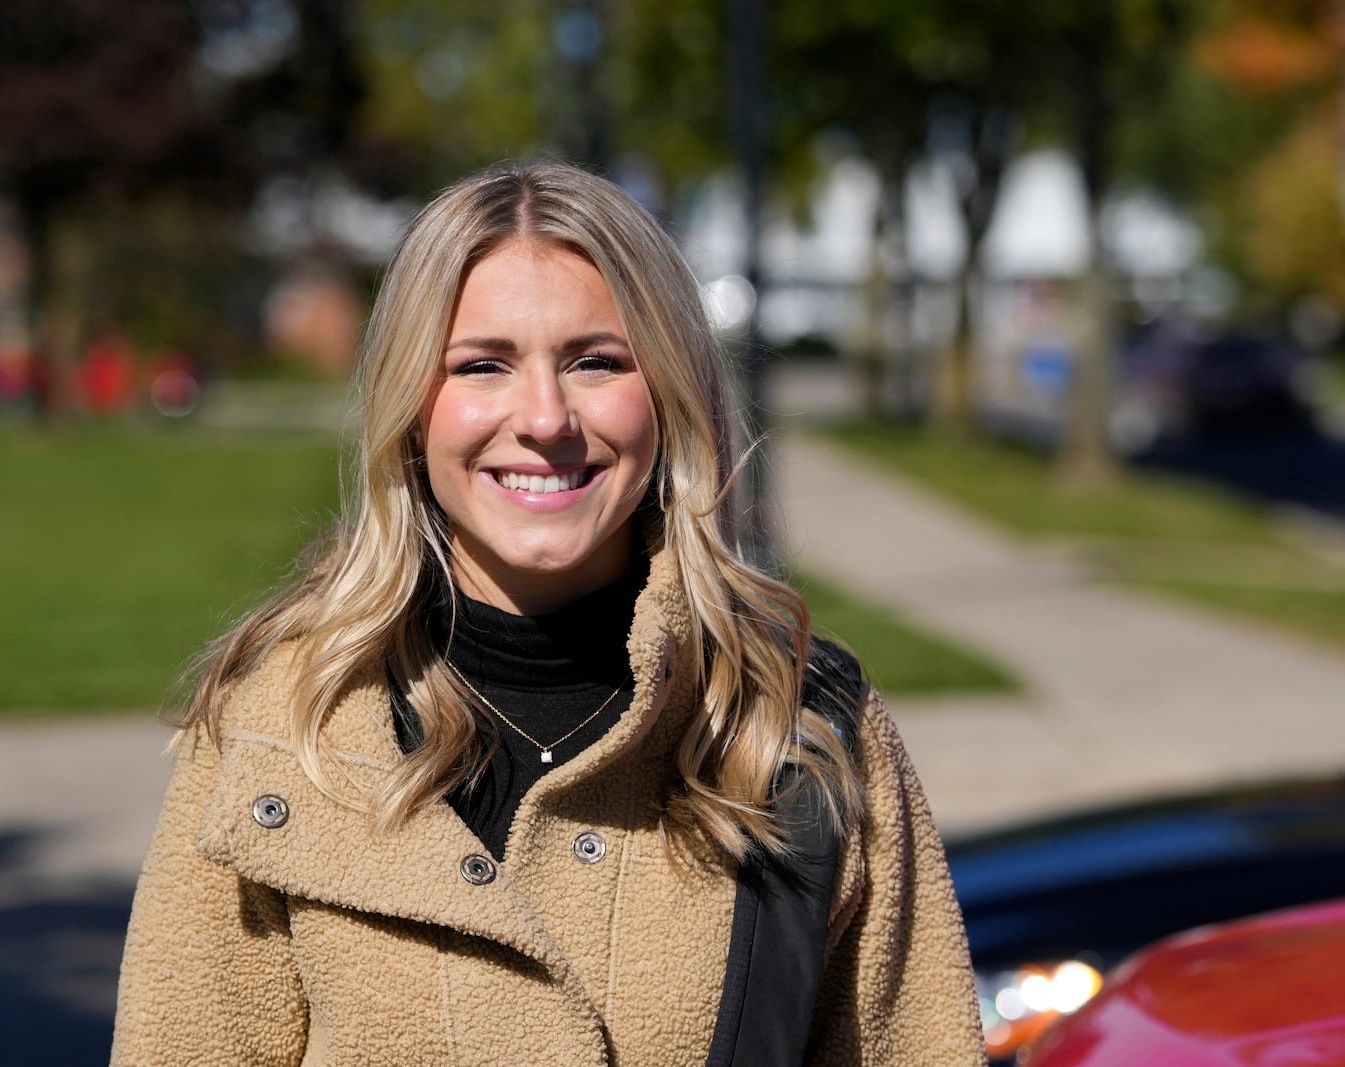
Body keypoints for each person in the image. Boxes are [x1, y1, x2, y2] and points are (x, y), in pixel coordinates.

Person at [111, 161, 986, 1067]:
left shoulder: (800, 722)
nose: (544, 417)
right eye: (482, 365)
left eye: (595, 361)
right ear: (411, 406)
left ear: (672, 393)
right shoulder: (283, 721)